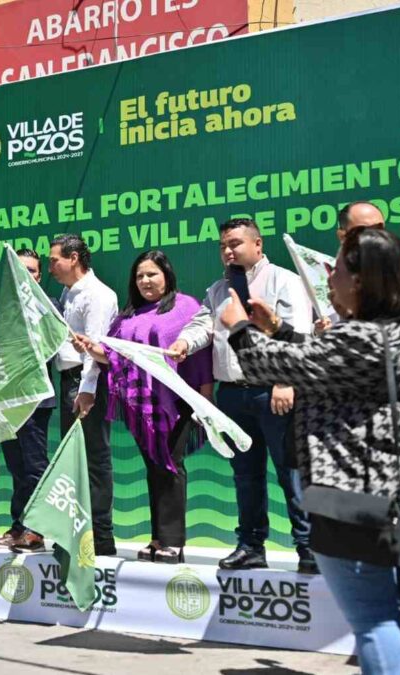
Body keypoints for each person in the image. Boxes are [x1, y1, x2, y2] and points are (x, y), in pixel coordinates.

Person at [220, 227, 400, 675]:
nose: (329, 278)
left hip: (350, 494)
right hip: (386, 489)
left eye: (338, 269)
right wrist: (280, 329)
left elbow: (283, 365)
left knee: (373, 621)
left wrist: (240, 328)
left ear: (361, 280)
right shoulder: (395, 333)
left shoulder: (358, 337)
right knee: (391, 614)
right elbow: (324, 359)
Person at [168, 217, 315, 573]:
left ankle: (309, 548)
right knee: (245, 475)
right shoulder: (218, 290)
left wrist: (286, 381)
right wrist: (184, 342)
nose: (228, 251)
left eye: (235, 243)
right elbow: (204, 324)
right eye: (223, 246)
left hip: (274, 391)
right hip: (233, 395)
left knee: (290, 472)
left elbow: (299, 330)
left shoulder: (285, 280)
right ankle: (251, 545)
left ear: (258, 245)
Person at [74, 251, 213, 563]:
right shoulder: (128, 317)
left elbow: (202, 356)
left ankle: (173, 542)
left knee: (171, 467)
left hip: (177, 402)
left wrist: (205, 398)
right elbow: (112, 356)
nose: (146, 281)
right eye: (140, 276)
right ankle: (158, 536)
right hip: (142, 407)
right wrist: (89, 347)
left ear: (167, 275)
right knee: (154, 469)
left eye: (152, 274)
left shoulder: (185, 307)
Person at [48, 234, 119, 556]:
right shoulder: (68, 293)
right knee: (74, 460)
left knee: (94, 461)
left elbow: (95, 348)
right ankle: (78, 533)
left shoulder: (97, 295)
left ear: (73, 258)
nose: (51, 267)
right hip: (70, 380)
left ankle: (101, 540)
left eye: (54, 260)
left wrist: (87, 391)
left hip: (88, 380)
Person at [0, 249, 57, 552]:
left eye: (31, 270)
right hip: (8, 402)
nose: (26, 276)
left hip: (35, 402)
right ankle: (18, 526)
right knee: (17, 468)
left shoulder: (49, 309)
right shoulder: (3, 312)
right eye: (20, 270)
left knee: (34, 467)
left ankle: (37, 530)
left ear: (39, 276)